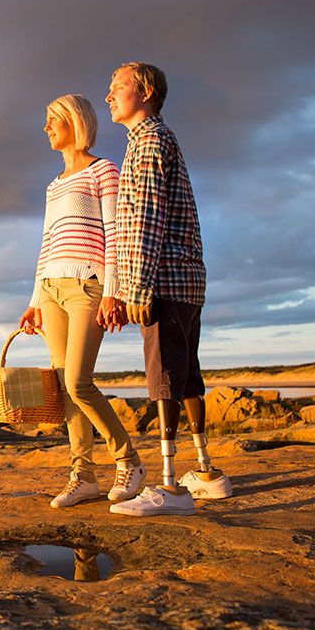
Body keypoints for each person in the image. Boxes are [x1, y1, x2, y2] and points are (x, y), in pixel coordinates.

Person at [105, 62, 233, 517]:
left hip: (163, 280)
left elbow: (145, 221)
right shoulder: (161, 138)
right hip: (187, 278)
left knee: (163, 376)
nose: (109, 96)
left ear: (144, 90)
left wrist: (134, 288)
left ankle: (169, 488)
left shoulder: (148, 141)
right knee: (187, 372)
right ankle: (204, 472)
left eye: (117, 87)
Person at [19, 94, 144, 508]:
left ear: (74, 122)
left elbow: (116, 234)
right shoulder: (54, 185)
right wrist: (35, 299)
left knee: (78, 381)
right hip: (52, 289)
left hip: (89, 286)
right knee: (64, 387)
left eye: (52, 120)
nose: (46, 128)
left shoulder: (103, 169)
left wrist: (114, 292)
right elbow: (47, 242)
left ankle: (128, 462)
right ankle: (83, 475)